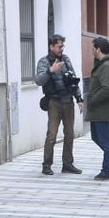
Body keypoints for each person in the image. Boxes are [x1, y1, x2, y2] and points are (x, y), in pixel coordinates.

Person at [34, 33, 83, 175]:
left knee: (69, 134)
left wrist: (79, 98)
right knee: (52, 135)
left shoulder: (66, 60)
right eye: (59, 46)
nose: (62, 49)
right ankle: (46, 165)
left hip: (68, 101)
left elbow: (73, 80)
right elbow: (38, 81)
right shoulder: (44, 62)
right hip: (54, 102)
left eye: (62, 46)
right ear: (51, 46)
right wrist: (51, 71)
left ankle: (67, 164)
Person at [84, 37, 109, 180]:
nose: (91, 50)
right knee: (96, 137)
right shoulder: (102, 64)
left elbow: (107, 89)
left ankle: (105, 171)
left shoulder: (107, 66)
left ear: (98, 49)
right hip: (97, 108)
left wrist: (93, 100)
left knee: (105, 141)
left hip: (103, 108)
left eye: (92, 48)